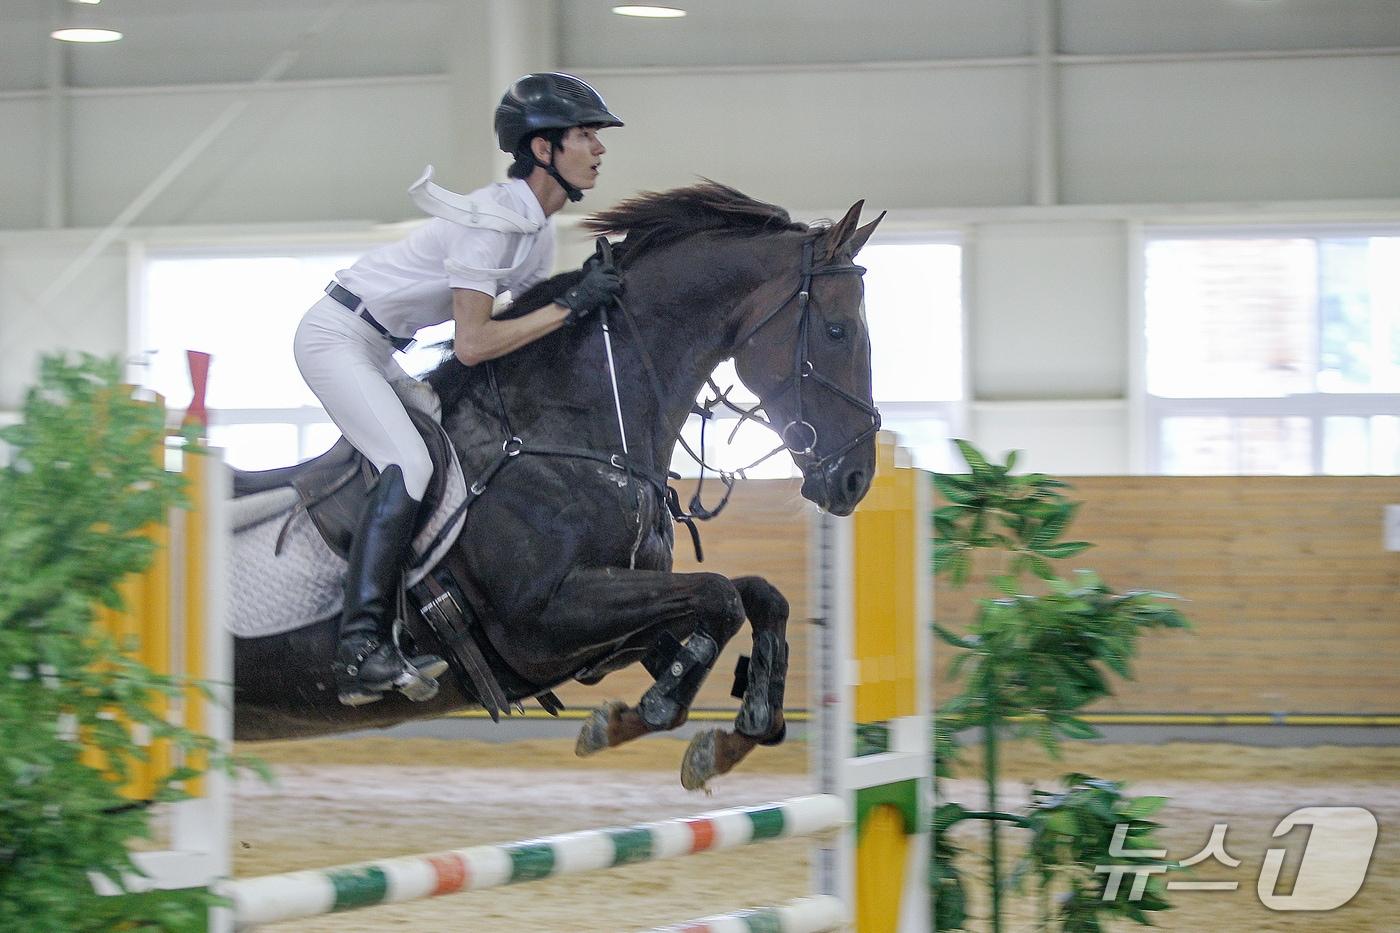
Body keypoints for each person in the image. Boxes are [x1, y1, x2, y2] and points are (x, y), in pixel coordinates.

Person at [293, 73, 625, 706]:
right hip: (337, 338)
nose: (600, 149)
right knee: (410, 461)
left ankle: (425, 605)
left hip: (382, 349)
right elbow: (474, 343)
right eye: (586, 135)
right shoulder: (495, 221)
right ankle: (358, 645)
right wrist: (569, 307)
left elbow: (505, 332)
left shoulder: (536, 233)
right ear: (543, 149)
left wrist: (576, 302)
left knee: (450, 450)